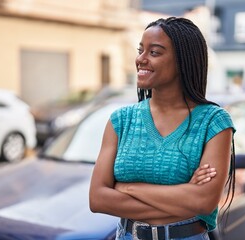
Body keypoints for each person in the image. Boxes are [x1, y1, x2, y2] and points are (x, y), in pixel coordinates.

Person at [89, 17, 236, 240]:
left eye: (154, 52)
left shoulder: (213, 122)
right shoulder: (121, 120)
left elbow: (204, 202)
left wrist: (128, 188)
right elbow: (98, 199)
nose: (141, 59)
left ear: (183, 61)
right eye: (141, 50)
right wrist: (183, 197)